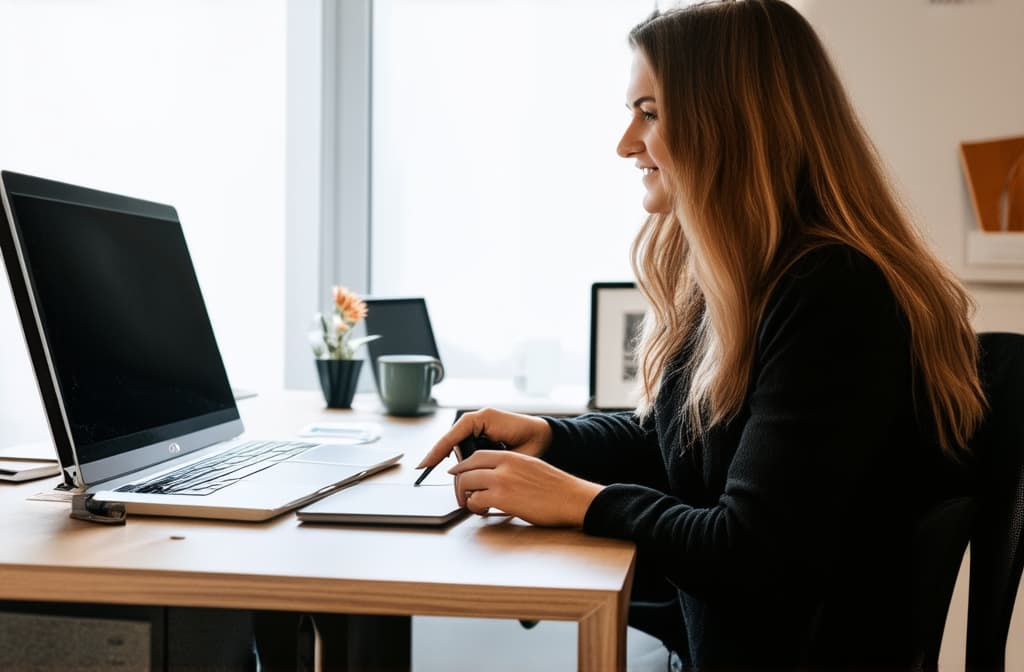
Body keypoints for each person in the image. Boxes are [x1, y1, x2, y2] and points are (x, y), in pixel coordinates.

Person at [416, 1, 987, 669]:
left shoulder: (837, 293)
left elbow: (752, 552)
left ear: (732, 125)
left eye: (650, 113)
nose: (626, 143)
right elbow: (688, 447)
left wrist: (585, 502)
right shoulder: (748, 281)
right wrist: (552, 437)